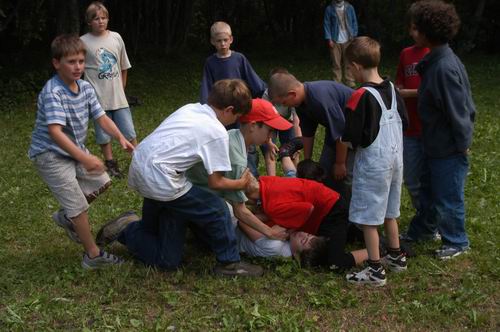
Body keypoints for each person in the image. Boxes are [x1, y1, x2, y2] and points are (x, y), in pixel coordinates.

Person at [96, 79, 265, 277]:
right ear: (228, 110)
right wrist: (241, 183)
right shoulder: (217, 130)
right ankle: (229, 264)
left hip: (142, 165)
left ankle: (128, 228)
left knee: (168, 259)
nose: (235, 121)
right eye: (236, 116)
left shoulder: (190, 109)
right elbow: (216, 183)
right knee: (217, 209)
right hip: (161, 178)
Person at [28, 34, 135, 269]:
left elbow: (101, 116)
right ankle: (93, 256)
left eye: (80, 61)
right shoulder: (53, 92)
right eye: (71, 62)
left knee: (103, 181)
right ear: (57, 63)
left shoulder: (85, 87)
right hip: (50, 155)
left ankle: (67, 217)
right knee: (79, 206)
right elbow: (55, 132)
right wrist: (85, 157)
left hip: (73, 150)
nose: (78, 67)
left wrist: (120, 137)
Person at [403, 0, 475, 260]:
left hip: (448, 148)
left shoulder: (444, 67)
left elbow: (461, 111)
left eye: (415, 28)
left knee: (448, 196)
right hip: (433, 143)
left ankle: (457, 241)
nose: (411, 33)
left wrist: (461, 144)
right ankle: (423, 230)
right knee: (429, 192)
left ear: (426, 32)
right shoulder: (435, 60)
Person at [341, 36, 409, 286]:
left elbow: (351, 137)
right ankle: (396, 256)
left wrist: (345, 142)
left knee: (368, 219)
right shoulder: (393, 89)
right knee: (391, 212)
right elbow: (404, 122)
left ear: (357, 66)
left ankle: (375, 270)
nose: (350, 71)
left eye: (349, 67)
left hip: (373, 166)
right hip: (396, 162)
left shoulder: (360, 96)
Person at [186, 98, 292, 244]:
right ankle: (197, 231)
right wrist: (270, 232)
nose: (271, 136)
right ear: (253, 126)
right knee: (230, 221)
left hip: (194, 186)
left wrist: (267, 140)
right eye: (270, 131)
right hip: (193, 196)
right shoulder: (237, 161)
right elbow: (239, 210)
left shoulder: (234, 135)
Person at [241, 173, 368, 270]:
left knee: (334, 262)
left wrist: (289, 229)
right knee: (325, 243)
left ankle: (376, 251)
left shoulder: (271, 203)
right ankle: (357, 234)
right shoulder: (266, 183)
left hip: (331, 212)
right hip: (327, 208)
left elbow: (308, 209)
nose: (303, 234)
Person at [267, 72, 354, 199]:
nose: (284, 106)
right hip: (335, 132)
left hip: (354, 134)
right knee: (324, 171)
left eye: (284, 103)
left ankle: (348, 211)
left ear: (292, 94)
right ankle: (330, 204)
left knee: (345, 175)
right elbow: (308, 132)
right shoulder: (300, 103)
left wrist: (340, 163)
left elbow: (342, 133)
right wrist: (307, 161)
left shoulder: (320, 99)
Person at [199, 21, 267, 173]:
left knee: (245, 145)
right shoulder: (210, 62)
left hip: (241, 111)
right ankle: (228, 177)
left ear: (231, 39)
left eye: (225, 40)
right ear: (212, 42)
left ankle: (250, 176)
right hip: (222, 114)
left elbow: (256, 84)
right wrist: (207, 111)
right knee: (224, 144)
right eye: (218, 41)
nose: (222, 44)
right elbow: (206, 89)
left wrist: (263, 97)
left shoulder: (239, 59)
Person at [81, 1, 137, 178]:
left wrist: (122, 88)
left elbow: (123, 66)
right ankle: (111, 163)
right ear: (89, 22)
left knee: (128, 130)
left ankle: (138, 159)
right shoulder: (83, 42)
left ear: (108, 19)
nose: (100, 21)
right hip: (98, 99)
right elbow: (78, 69)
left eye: (103, 18)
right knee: (103, 135)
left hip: (118, 97)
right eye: (96, 18)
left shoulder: (116, 38)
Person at [396, 23, 430, 217]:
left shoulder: (434, 55)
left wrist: (408, 93)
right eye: (411, 28)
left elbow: (434, 91)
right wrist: (400, 88)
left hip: (429, 128)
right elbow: (400, 78)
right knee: (411, 179)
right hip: (409, 127)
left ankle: (433, 222)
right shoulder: (406, 54)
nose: (413, 33)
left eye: (417, 28)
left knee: (431, 179)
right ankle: (423, 217)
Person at [261, 67, 303, 177]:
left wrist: (299, 141)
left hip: (287, 121)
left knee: (292, 150)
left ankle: (295, 178)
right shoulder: (267, 95)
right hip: (271, 122)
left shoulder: (293, 96)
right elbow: (265, 121)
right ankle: (272, 179)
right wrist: (269, 142)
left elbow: (296, 120)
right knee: (270, 150)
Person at [323, 0, 358, 87]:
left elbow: (354, 22)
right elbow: (326, 24)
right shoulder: (329, 9)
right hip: (335, 40)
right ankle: (337, 82)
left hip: (348, 39)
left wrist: (354, 35)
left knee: (349, 61)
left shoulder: (350, 7)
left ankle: (350, 81)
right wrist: (329, 39)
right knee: (336, 63)